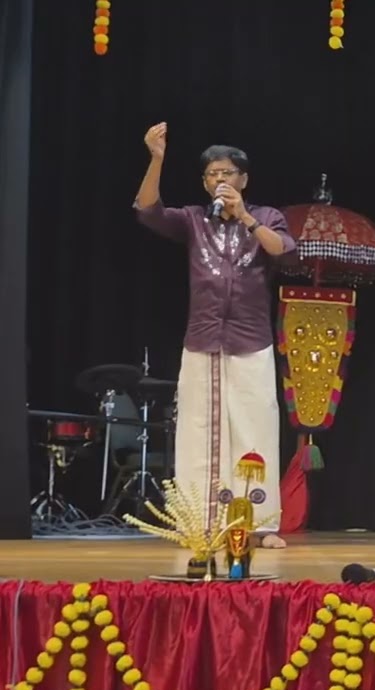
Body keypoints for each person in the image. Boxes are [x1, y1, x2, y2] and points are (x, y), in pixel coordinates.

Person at [133, 122, 296, 549]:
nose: (219, 181)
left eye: (226, 174)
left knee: (254, 428)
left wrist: (242, 216)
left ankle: (258, 526)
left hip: (251, 340)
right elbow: (147, 210)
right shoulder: (192, 220)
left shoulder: (265, 217)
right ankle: (199, 523)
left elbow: (281, 248)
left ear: (243, 179)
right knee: (197, 431)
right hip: (202, 338)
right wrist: (156, 160)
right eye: (211, 175)